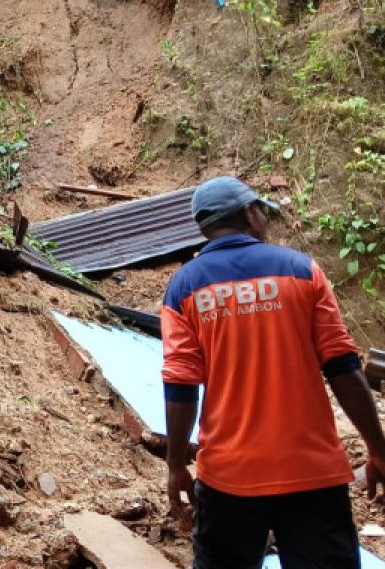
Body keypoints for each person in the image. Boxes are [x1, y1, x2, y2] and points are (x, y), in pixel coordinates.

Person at [162, 175, 385, 568]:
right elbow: (343, 367)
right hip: (312, 474)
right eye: (262, 211)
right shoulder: (302, 271)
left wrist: (176, 465)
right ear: (250, 214)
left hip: (228, 478)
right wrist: (379, 449)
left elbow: (181, 384)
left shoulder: (184, 288)